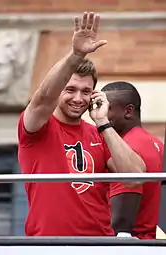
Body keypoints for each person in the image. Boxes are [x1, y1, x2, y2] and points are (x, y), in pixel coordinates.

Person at [18, 12, 145, 236]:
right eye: (70, 90)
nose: (78, 98)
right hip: (48, 245)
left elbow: (135, 178)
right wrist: (76, 55)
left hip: (99, 244)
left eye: (86, 91)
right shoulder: (37, 126)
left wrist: (104, 123)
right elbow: (44, 97)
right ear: (59, 91)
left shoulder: (99, 133)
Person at [101, 81, 164, 239]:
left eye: (106, 109)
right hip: (152, 241)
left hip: (133, 245)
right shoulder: (156, 143)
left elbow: (121, 220)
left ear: (128, 111)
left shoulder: (126, 149)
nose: (99, 114)